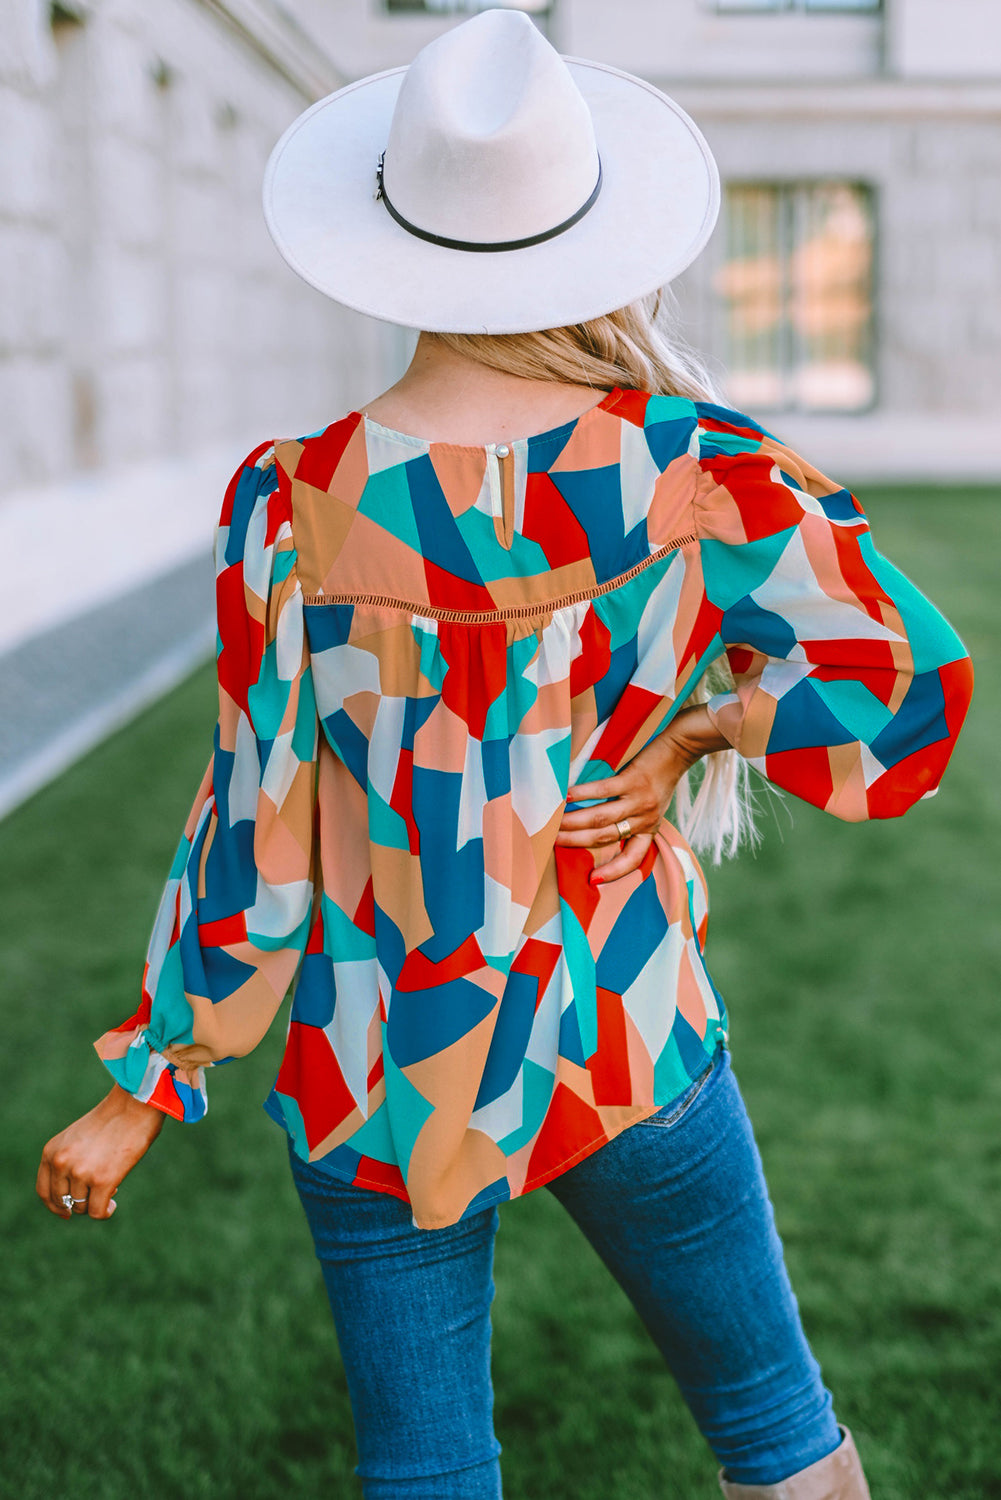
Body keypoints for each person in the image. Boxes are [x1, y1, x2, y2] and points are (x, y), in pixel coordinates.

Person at [36, 11, 973, 1499]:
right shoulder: (698, 468)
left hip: (375, 1056)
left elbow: (258, 826)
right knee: (773, 1424)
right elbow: (903, 692)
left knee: (426, 1472)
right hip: (622, 1022)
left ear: (394, 232)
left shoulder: (292, 503)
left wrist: (152, 1075)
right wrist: (700, 734)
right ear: (592, 234)